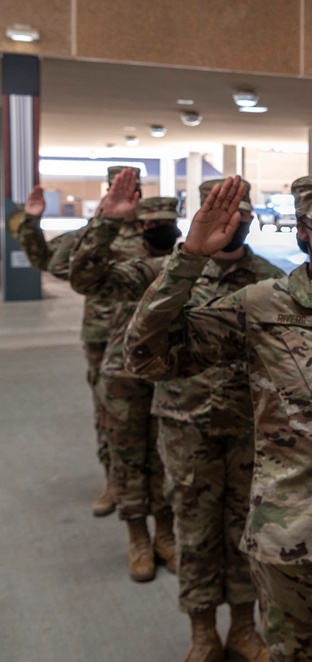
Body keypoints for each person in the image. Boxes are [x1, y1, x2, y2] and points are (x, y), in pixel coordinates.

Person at [124, 175, 312, 661]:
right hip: (289, 534)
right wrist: (190, 257)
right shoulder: (260, 305)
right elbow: (148, 355)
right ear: (303, 232)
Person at [149, 179, 282, 662]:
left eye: (243, 216)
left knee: (247, 528)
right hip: (187, 424)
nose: (236, 223)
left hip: (251, 426)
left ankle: (244, 628)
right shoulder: (173, 275)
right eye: (228, 215)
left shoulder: (269, 279)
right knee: (195, 529)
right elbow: (144, 342)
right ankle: (202, 630)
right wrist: (187, 260)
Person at [10, 168, 145, 516]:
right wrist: (31, 223)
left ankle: (150, 488)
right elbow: (47, 261)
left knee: (151, 415)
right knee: (107, 413)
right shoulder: (92, 234)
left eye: (133, 191)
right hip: (102, 336)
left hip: (146, 335)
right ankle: (113, 482)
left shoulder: (154, 233)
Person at [69, 169, 180, 582]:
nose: (155, 227)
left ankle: (165, 533)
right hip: (120, 367)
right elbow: (81, 274)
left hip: (167, 371)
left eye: (163, 221)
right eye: (151, 222)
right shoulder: (112, 243)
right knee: (128, 454)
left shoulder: (181, 259)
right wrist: (107, 222)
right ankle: (137, 536)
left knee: (164, 454)